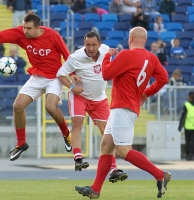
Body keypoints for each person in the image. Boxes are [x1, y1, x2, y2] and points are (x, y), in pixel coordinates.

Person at [75, 27, 171, 199]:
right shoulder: (152, 58)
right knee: (106, 146)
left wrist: (107, 57)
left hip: (122, 108)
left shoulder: (126, 55)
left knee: (122, 151)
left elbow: (106, 74)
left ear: (131, 38)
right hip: (126, 107)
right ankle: (95, 190)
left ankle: (159, 174)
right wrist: (146, 93)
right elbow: (164, 78)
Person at [0, 13, 72, 161]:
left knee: (50, 107)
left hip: (54, 77)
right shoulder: (20, 33)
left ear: (38, 28)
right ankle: (21, 143)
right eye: (24, 27)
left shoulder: (53, 35)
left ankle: (66, 134)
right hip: (36, 77)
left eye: (28, 28)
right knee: (18, 106)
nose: (25, 31)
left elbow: (67, 55)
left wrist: (72, 73)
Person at [57, 31, 128, 182]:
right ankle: (78, 159)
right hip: (80, 96)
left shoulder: (105, 51)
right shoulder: (75, 57)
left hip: (99, 98)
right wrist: (71, 87)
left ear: (100, 44)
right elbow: (60, 74)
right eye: (87, 45)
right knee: (77, 123)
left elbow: (111, 66)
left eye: (93, 45)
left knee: (108, 133)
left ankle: (114, 169)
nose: (90, 48)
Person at [178, 91, 194, 161]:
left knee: (187, 141)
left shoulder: (187, 105)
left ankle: (188, 155)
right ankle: (192, 154)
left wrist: (180, 127)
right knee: (193, 142)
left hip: (188, 127)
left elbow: (183, 116)